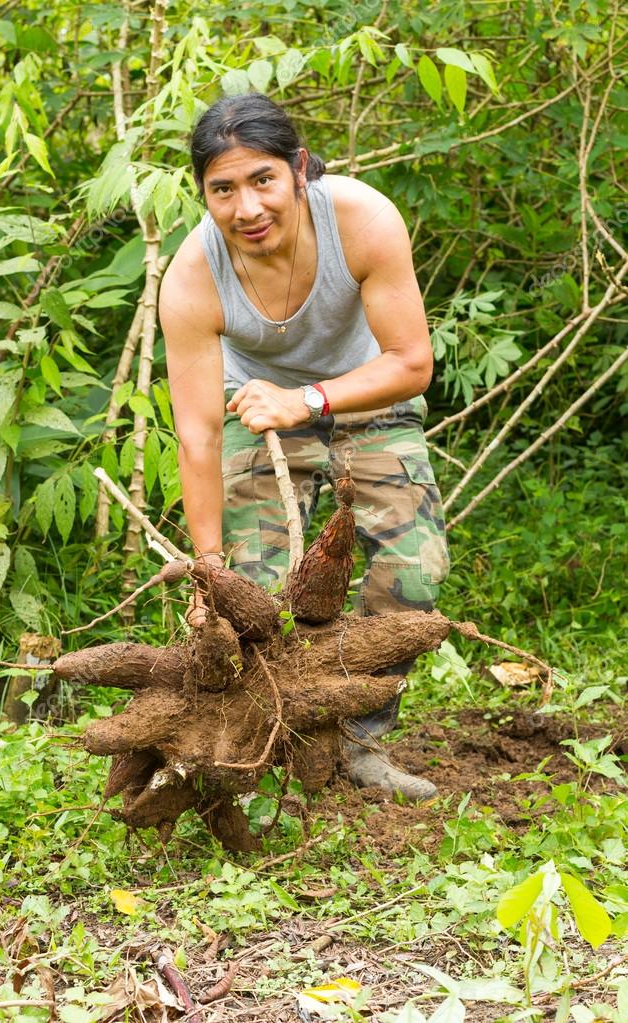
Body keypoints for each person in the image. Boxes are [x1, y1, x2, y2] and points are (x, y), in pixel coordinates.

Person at [159, 94, 449, 801]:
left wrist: (310, 398)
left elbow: (412, 360)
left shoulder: (362, 219)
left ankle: (358, 740)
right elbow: (197, 432)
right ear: (204, 194)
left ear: (298, 170)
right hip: (258, 414)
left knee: (416, 573)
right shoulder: (193, 277)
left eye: (261, 180)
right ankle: (268, 741)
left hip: (369, 393)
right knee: (253, 595)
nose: (246, 208)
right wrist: (208, 574)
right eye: (222, 189)